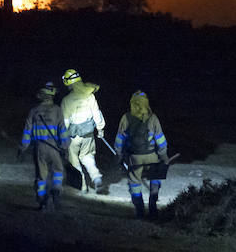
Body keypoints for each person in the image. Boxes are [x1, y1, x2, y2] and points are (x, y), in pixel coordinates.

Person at [114, 91, 169, 220]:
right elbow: (160, 138)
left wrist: (119, 154)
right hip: (152, 155)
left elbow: (120, 138)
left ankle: (139, 210)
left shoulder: (126, 117)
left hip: (135, 158)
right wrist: (163, 155)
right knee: (155, 178)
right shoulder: (153, 118)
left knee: (134, 182)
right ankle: (152, 205)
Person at [18, 82, 67, 211]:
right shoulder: (57, 110)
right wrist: (65, 146)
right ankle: (56, 191)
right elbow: (62, 130)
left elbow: (27, 132)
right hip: (54, 147)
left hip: (39, 148)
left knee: (41, 176)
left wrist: (22, 148)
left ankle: (41, 201)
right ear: (52, 96)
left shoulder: (34, 111)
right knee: (58, 171)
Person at [60, 68, 107, 195]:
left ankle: (83, 187)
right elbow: (97, 114)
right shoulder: (90, 96)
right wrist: (100, 129)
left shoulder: (67, 100)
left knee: (74, 160)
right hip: (88, 134)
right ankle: (96, 178)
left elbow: (65, 122)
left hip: (73, 136)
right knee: (87, 156)